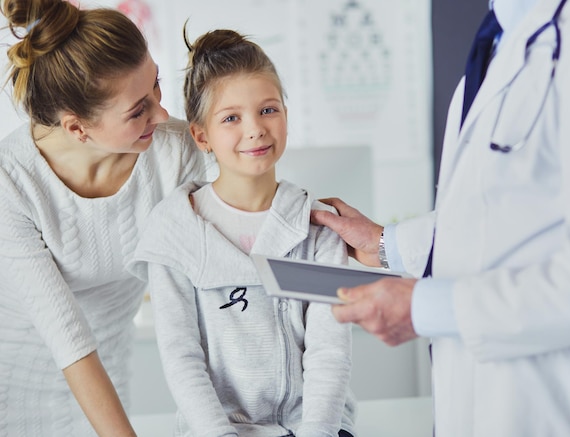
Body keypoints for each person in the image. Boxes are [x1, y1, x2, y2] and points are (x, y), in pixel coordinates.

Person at [311, 0, 570, 436]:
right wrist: (384, 242)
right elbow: (494, 215)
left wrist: (427, 307)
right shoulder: (498, 44)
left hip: (550, 406)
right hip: (472, 401)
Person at [126, 29, 357, 437]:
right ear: (201, 136)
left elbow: (329, 352)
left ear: (286, 113)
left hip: (314, 427)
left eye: (268, 110)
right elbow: (183, 358)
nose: (254, 129)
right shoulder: (175, 232)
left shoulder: (319, 227)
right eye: (231, 118)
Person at [0, 0, 214, 435]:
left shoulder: (174, 152)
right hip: (12, 383)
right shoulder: (11, 181)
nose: (162, 113)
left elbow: (228, 247)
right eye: (138, 110)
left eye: (156, 85)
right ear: (77, 128)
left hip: (107, 382)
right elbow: (67, 336)